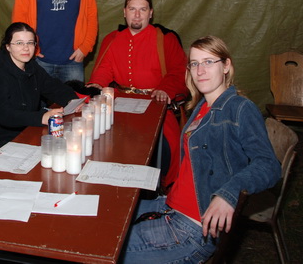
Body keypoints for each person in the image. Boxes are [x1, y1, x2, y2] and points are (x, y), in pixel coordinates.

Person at [120, 35, 281, 264]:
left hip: (192, 228)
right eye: (194, 63)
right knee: (111, 212)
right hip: (170, 205)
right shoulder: (203, 106)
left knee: (106, 247)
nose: (200, 70)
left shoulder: (239, 108)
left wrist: (228, 194)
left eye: (208, 62)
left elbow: (269, 165)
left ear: (226, 66)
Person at [87, 0, 188, 188]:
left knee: (169, 146)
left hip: (156, 103)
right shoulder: (112, 38)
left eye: (142, 9)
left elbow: (179, 71)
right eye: (132, 9)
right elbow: (104, 69)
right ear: (124, 12)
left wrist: (165, 90)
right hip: (118, 103)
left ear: (151, 13)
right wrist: (97, 84)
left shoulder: (166, 38)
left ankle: (160, 188)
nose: (137, 15)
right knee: (98, 137)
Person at [0, 22, 80, 153]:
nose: (26, 48)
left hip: (26, 131)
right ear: (8, 46)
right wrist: (41, 118)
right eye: (19, 43)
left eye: (30, 43)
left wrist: (72, 100)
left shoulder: (32, 67)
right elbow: (5, 115)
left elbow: (53, 87)